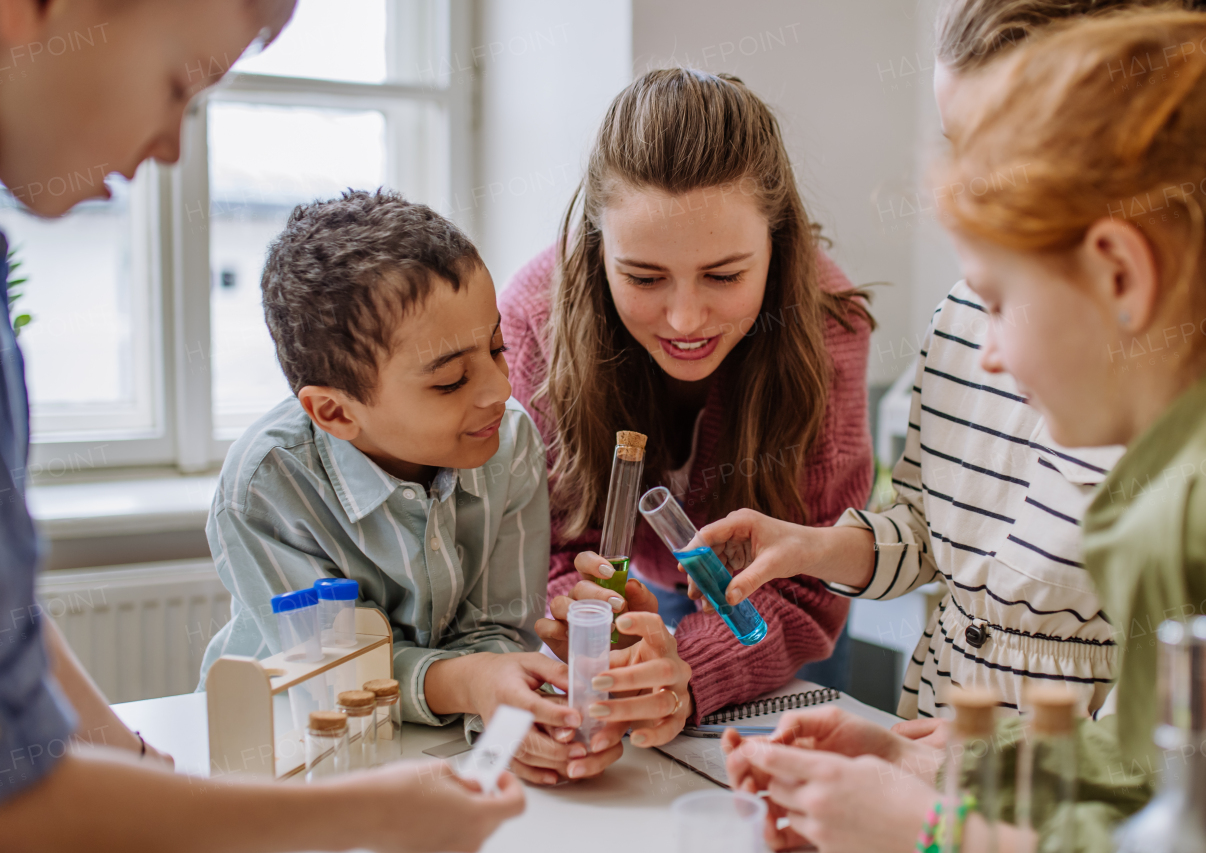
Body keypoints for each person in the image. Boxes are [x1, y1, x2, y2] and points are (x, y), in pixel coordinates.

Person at [724, 3, 1206, 851]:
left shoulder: (1201, 519)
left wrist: (933, 829)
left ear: (1119, 271)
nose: (983, 351)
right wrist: (941, 762)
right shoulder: (1204, 469)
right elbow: (1155, 771)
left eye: (1000, 303)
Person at [0, 2, 522, 850]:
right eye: (177, 85)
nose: (169, 147)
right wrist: (382, 811)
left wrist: (130, 756)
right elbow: (19, 799)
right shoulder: (269, 480)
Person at [498, 68, 875, 750]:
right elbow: (545, 548)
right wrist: (594, 628)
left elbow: (813, 580)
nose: (684, 317)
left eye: (725, 275)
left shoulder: (826, 324)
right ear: (596, 247)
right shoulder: (532, 319)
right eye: (642, 277)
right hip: (629, 589)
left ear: (778, 243)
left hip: (773, 611)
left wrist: (692, 671)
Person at [197, 188, 618, 785]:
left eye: (497, 347)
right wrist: (471, 685)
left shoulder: (507, 439)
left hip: (436, 743)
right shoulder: (265, 487)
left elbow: (497, 628)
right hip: (295, 751)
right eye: (450, 381)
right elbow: (331, 674)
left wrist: (516, 713)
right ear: (336, 412)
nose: (499, 388)